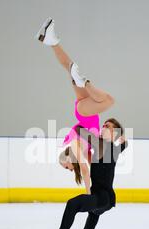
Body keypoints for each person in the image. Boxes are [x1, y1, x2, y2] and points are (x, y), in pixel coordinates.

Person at [36, 17, 115, 194]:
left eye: (66, 167)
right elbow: (92, 166)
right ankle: (51, 40)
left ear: (68, 158)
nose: (69, 170)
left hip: (85, 115)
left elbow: (85, 170)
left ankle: (85, 82)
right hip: (84, 112)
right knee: (70, 67)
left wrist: (89, 194)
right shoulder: (83, 149)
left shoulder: (73, 147)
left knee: (109, 101)